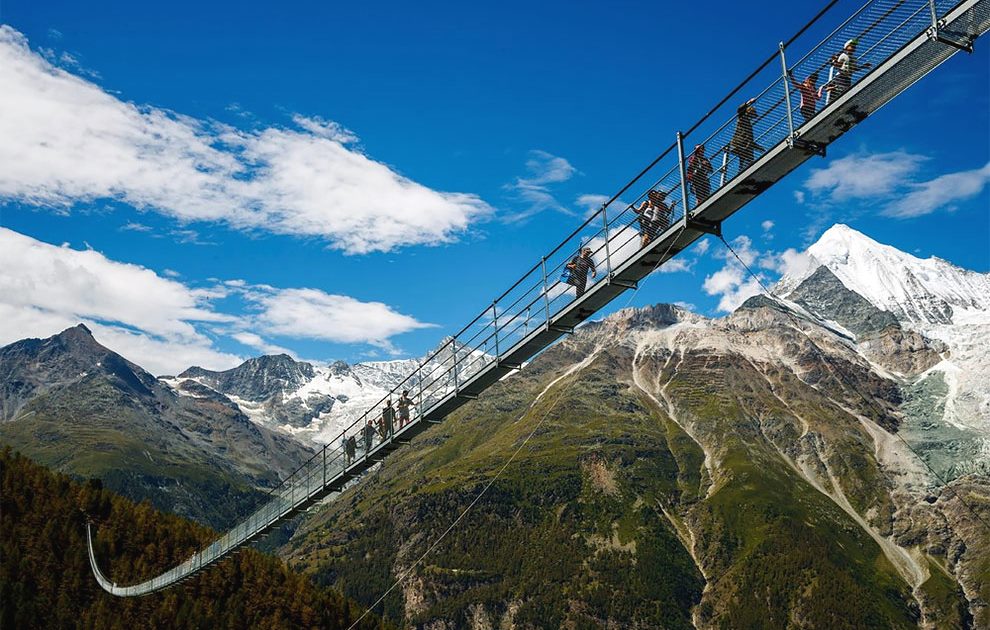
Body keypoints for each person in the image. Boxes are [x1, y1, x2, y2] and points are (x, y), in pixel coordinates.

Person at [730, 98, 765, 171]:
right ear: (749, 112)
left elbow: (749, 140)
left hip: (745, 146)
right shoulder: (742, 118)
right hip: (740, 144)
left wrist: (759, 148)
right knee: (747, 160)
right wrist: (748, 102)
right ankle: (743, 174)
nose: (754, 117)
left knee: (745, 162)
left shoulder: (748, 124)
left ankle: (742, 174)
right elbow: (739, 110)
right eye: (753, 114)